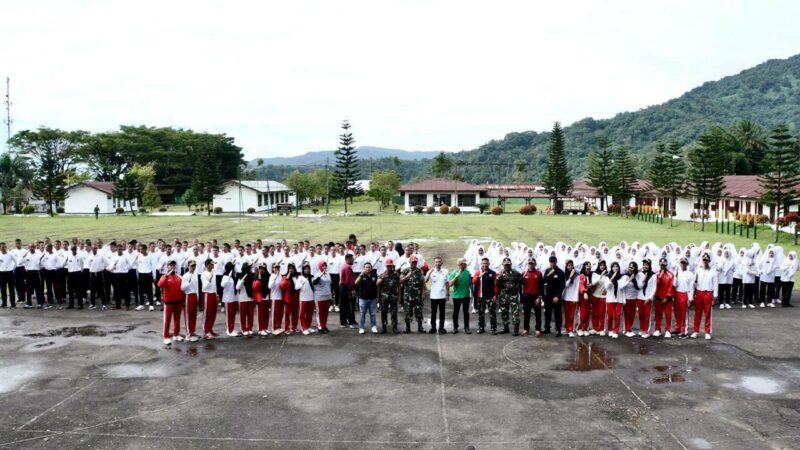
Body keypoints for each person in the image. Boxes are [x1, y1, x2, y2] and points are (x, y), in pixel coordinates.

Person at [157, 260, 184, 345]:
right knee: (167, 321)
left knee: (177, 319)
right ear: (167, 267)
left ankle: (176, 334)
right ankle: (166, 336)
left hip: (178, 302)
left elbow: (182, 289)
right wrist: (166, 275)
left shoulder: (179, 277)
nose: (172, 267)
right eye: (170, 265)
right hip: (168, 303)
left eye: (173, 265)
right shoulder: (164, 276)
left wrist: (182, 300)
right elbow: (159, 285)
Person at [692, 254, 717, 340]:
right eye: (704, 260)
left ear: (709, 261)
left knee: (707, 313)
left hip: (708, 293)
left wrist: (715, 297)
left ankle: (707, 332)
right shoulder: (698, 270)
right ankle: (695, 331)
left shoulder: (713, 272)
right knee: (697, 313)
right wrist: (693, 294)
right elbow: (694, 283)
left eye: (706, 260)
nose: (705, 262)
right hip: (699, 292)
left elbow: (715, 284)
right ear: (701, 261)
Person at [495, 257, 521, 336]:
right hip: (504, 295)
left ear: (511, 264)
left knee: (515, 312)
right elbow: (496, 283)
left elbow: (520, 282)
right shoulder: (500, 273)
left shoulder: (516, 273)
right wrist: (500, 279)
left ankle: (516, 329)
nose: (507, 266)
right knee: (504, 311)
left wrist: (515, 287)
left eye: (508, 264)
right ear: (502, 265)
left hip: (513, 295)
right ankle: (506, 328)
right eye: (505, 264)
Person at [400, 255, 426, 333]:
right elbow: (400, 281)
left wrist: (423, 294)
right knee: (408, 311)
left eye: (415, 262)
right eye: (412, 262)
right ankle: (408, 328)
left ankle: (420, 327)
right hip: (408, 295)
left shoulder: (419, 271)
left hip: (417, 295)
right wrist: (407, 276)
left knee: (419, 311)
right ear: (409, 262)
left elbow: (423, 284)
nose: (414, 263)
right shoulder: (405, 271)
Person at [471, 257, 496, 335]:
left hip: (490, 297)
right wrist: (479, 276)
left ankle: (493, 328)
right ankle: (481, 328)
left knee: (492, 313)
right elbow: (473, 282)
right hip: (480, 297)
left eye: (486, 263)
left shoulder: (492, 273)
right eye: (483, 263)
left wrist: (495, 295)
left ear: (488, 264)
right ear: (481, 264)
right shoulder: (478, 273)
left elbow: (495, 285)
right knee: (481, 313)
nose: (485, 264)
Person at [448, 258, 472, 335]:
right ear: (460, 264)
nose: (465, 265)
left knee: (466, 313)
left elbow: (470, 284)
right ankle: (455, 328)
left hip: (466, 296)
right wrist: (456, 277)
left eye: (465, 264)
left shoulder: (467, 272)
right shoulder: (454, 272)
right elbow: (450, 284)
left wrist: (471, 293)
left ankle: (466, 327)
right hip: (456, 296)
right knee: (456, 313)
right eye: (464, 264)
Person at [542, 256, 565, 336]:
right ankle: (547, 328)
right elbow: (543, 281)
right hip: (548, 295)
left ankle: (558, 330)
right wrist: (548, 274)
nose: (552, 263)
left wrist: (558, 296)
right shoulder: (547, 270)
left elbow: (562, 286)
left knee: (557, 313)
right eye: (551, 262)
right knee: (547, 313)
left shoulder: (561, 272)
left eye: (553, 262)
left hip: (556, 296)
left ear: (556, 262)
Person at [377, 257, 401, 334]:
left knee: (394, 312)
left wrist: (399, 296)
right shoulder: (382, 274)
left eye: (390, 266)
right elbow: (377, 284)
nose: (389, 267)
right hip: (384, 297)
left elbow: (399, 285)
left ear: (392, 266)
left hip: (393, 296)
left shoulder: (396, 274)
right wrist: (378, 298)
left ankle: (394, 327)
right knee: (383, 312)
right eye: (388, 266)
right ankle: (384, 327)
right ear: (386, 266)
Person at [426, 257, 449, 334]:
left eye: (439, 262)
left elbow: (447, 283)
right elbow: (425, 280)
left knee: (442, 313)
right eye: (436, 262)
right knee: (433, 313)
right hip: (434, 296)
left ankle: (441, 328)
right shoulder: (431, 271)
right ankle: (433, 327)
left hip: (442, 296)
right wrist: (429, 273)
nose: (438, 263)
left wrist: (448, 294)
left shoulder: (445, 271)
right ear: (434, 263)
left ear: (441, 263)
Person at [652, 257, 675, 338]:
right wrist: (660, 276)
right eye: (661, 264)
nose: (662, 266)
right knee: (657, 315)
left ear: (666, 265)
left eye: (664, 264)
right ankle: (657, 329)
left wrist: (667, 297)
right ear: (659, 264)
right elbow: (656, 285)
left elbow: (671, 286)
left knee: (668, 315)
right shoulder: (656, 274)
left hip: (667, 299)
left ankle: (668, 330)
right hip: (658, 298)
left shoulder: (671, 274)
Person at [355, 262, 379, 334]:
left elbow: (377, 287)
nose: (368, 268)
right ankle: (361, 328)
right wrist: (360, 276)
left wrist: (378, 297)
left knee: (373, 314)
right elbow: (356, 283)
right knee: (362, 313)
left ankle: (373, 326)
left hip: (372, 298)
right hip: (363, 298)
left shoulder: (375, 276)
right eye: (366, 267)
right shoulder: (361, 276)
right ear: (364, 268)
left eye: (369, 267)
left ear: (371, 268)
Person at [673, 257, 694, 338]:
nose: (682, 264)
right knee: (677, 313)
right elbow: (675, 285)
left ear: (687, 264)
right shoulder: (677, 272)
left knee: (684, 313)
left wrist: (690, 298)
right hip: (677, 294)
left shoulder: (690, 274)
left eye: (684, 263)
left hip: (685, 294)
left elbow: (691, 287)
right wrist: (676, 276)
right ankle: (677, 329)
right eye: (681, 262)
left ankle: (684, 331)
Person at [635, 259, 656, 338]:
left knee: (647, 315)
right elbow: (638, 286)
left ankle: (646, 330)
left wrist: (650, 298)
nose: (645, 266)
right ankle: (642, 329)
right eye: (644, 264)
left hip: (647, 298)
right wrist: (644, 279)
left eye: (647, 265)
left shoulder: (653, 275)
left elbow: (654, 287)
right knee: (641, 315)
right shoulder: (639, 274)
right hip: (640, 297)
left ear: (650, 265)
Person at [181, 260, 201, 342]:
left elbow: (197, 287)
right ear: (188, 266)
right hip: (188, 296)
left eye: (194, 266)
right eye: (192, 266)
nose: (193, 267)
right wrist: (188, 282)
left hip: (194, 296)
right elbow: (182, 288)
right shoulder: (185, 275)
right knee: (188, 315)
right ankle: (188, 334)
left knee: (193, 315)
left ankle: (193, 331)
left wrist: (198, 297)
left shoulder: (195, 275)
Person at [200, 259, 219, 339]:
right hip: (207, 294)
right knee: (207, 313)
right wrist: (210, 278)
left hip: (213, 293)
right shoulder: (203, 274)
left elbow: (215, 285)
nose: (213, 265)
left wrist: (217, 294)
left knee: (213, 313)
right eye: (211, 264)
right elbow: (205, 286)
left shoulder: (213, 272)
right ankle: (205, 331)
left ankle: (210, 329)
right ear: (207, 265)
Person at [313, 260, 334, 334]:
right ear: (320, 266)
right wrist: (321, 275)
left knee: (325, 313)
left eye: (325, 265)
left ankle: (324, 325)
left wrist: (331, 296)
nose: (324, 267)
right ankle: (320, 327)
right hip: (319, 297)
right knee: (320, 313)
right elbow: (315, 282)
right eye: (323, 265)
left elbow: (329, 285)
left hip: (327, 296)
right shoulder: (317, 274)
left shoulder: (328, 274)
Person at [295, 262, 316, 335]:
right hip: (303, 299)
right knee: (302, 314)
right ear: (303, 270)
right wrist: (302, 283)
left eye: (308, 269)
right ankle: (303, 328)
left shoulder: (312, 277)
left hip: (311, 298)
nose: (307, 270)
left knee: (310, 314)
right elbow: (296, 287)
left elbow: (315, 287)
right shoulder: (300, 277)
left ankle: (308, 326)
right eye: (305, 269)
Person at [604, 262, 624, 338]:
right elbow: (607, 286)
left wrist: (623, 300)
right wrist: (612, 277)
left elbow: (622, 288)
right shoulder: (607, 276)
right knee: (610, 316)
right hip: (610, 299)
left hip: (618, 299)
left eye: (617, 266)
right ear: (611, 268)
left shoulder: (621, 277)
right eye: (614, 266)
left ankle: (615, 331)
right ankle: (610, 329)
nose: (615, 268)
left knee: (617, 316)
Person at [279, 263, 300, 334]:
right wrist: (287, 279)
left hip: (296, 296)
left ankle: (294, 327)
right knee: (287, 313)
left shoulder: (297, 276)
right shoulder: (285, 277)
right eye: (290, 268)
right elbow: (282, 287)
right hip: (288, 297)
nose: (291, 270)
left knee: (295, 313)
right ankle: (286, 328)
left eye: (292, 268)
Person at [589, 260, 608, 336]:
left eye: (603, 265)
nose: (602, 266)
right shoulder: (594, 274)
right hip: (595, 295)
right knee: (594, 313)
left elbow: (609, 283)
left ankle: (601, 329)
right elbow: (593, 283)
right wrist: (601, 276)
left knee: (602, 313)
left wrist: (606, 289)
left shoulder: (607, 274)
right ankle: (595, 328)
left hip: (603, 296)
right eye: (601, 265)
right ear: (598, 266)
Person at [561, 260, 580, 337]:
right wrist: (570, 276)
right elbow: (565, 285)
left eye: (571, 265)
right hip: (566, 297)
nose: (570, 267)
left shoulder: (577, 276)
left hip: (573, 298)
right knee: (567, 314)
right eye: (568, 265)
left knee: (572, 315)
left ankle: (571, 330)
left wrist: (576, 298)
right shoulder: (564, 275)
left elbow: (577, 288)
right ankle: (567, 329)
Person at [220, 262, 239, 337]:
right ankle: (229, 330)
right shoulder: (225, 276)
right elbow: (222, 285)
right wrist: (228, 276)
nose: (233, 269)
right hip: (228, 299)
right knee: (229, 315)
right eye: (232, 268)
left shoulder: (233, 277)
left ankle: (232, 328)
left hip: (234, 298)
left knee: (233, 315)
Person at [338, 253, 357, 329]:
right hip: (346, 288)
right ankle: (351, 322)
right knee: (350, 306)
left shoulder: (344, 266)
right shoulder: (348, 267)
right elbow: (349, 280)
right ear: (348, 259)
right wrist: (352, 289)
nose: (353, 260)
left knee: (343, 306)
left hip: (343, 287)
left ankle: (344, 322)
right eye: (352, 259)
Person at [622, 262, 640, 338]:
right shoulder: (625, 276)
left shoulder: (637, 276)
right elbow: (622, 287)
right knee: (627, 315)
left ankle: (629, 329)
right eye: (630, 267)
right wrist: (630, 279)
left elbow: (638, 286)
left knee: (632, 315)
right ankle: (626, 330)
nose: (631, 269)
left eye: (632, 267)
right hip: (627, 298)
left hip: (634, 298)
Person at [237, 263, 256, 336]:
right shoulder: (241, 276)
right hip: (242, 298)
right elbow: (237, 287)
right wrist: (242, 280)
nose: (250, 269)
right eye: (249, 268)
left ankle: (250, 328)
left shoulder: (251, 276)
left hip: (250, 298)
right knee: (243, 315)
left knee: (250, 315)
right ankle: (244, 328)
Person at [253, 264, 271, 336]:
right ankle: (260, 329)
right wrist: (259, 279)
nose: (261, 270)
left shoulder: (268, 276)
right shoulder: (256, 277)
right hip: (260, 297)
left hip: (266, 296)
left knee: (266, 314)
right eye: (260, 269)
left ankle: (265, 328)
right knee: (260, 314)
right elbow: (255, 288)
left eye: (263, 269)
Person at [269, 263, 285, 335]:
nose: (277, 269)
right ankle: (273, 328)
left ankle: (278, 326)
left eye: (278, 267)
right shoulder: (272, 276)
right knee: (274, 314)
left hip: (280, 297)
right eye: (275, 268)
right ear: (273, 269)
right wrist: (274, 278)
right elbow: (269, 286)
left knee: (280, 313)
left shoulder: (281, 276)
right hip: (274, 297)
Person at [0, 242, 18, 308]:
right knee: (3, 289)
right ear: (0, 248)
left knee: (11, 289)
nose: (4, 248)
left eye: (5, 247)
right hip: (1, 273)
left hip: (9, 273)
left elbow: (16, 262)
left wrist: (12, 269)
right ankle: (4, 303)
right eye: (2, 247)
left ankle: (13, 304)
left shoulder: (10, 254)